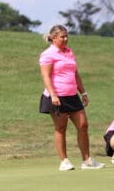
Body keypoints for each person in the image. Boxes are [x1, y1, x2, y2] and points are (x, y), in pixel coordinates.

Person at [38, 25, 104, 171]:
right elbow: (46, 76)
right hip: (56, 96)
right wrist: (53, 94)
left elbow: (75, 74)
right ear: (53, 38)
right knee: (61, 128)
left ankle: (86, 161)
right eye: (62, 36)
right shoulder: (48, 54)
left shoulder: (69, 52)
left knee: (83, 125)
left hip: (72, 96)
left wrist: (83, 93)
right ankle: (64, 161)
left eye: (67, 36)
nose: (66, 39)